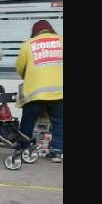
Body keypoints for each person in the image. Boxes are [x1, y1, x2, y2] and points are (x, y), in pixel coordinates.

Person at [16, 20, 63, 163]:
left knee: (28, 121)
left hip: (35, 92)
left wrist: (28, 75)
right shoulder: (61, 41)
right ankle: (56, 152)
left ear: (35, 31)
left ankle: (23, 148)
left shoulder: (28, 44)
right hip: (60, 93)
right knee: (59, 122)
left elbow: (20, 67)